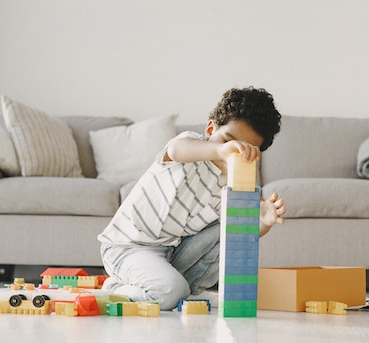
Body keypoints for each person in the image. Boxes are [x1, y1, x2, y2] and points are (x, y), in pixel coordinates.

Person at [98, 87, 285, 310]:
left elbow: (238, 237)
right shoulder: (190, 145)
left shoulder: (233, 185)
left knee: (231, 227)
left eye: (245, 150)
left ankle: (172, 289)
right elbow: (177, 149)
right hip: (127, 247)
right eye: (228, 140)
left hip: (170, 252)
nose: (234, 152)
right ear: (210, 128)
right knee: (171, 292)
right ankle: (116, 289)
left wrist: (262, 222)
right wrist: (221, 151)